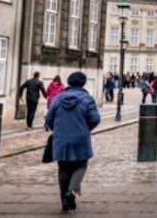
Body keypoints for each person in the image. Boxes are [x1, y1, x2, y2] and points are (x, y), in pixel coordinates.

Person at [45, 71, 100, 212]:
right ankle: (71, 192)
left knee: (63, 170)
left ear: (69, 82)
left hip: (61, 140)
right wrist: (85, 128)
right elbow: (95, 119)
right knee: (80, 166)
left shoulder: (58, 98)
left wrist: (58, 130)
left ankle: (64, 200)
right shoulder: (87, 99)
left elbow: (49, 119)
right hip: (80, 139)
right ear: (83, 83)